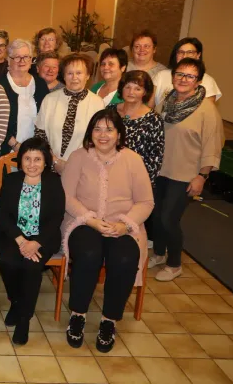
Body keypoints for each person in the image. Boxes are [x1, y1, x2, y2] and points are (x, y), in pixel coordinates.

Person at [61, 109, 154, 353]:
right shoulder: (78, 157)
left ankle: (109, 320)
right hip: (83, 222)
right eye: (97, 129)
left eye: (109, 129)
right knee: (89, 254)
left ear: (119, 134)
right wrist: (90, 220)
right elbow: (67, 196)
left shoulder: (133, 160)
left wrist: (125, 224)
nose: (103, 135)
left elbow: (146, 202)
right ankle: (78, 314)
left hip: (122, 225)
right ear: (90, 133)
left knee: (124, 258)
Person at [150, 58, 223, 282]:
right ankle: (159, 253)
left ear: (199, 81)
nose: (183, 79)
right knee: (155, 216)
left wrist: (202, 176)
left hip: (185, 174)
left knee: (169, 219)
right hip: (161, 170)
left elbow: (213, 144)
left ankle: (174, 263)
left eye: (190, 76)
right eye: (180, 74)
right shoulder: (167, 101)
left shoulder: (206, 109)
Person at [0, 137, 65, 345]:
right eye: (27, 158)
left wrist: (36, 243)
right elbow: (4, 215)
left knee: (31, 265)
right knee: (8, 261)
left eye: (37, 159)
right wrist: (20, 240)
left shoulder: (54, 182)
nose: (32, 164)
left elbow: (56, 218)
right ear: (20, 160)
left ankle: (24, 318)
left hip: (43, 238)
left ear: (45, 162)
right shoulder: (12, 180)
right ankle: (17, 302)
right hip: (13, 235)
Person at [35, 53, 104, 173]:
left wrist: (74, 165)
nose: (74, 77)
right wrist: (54, 161)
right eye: (70, 73)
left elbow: (98, 140)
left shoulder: (98, 103)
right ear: (64, 76)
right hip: (50, 167)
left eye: (79, 73)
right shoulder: (49, 99)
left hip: (83, 169)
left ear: (87, 75)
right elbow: (40, 135)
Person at [110, 71, 165, 187]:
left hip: (136, 179)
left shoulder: (153, 119)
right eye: (127, 87)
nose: (131, 92)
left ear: (145, 92)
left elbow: (155, 157)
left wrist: (144, 184)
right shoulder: (109, 111)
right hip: (106, 173)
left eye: (137, 89)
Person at [0, 39, 49, 155]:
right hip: (8, 151)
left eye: (26, 56)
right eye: (17, 57)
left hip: (36, 151)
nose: (22, 61)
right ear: (8, 60)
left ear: (31, 60)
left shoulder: (40, 84)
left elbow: (46, 118)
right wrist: (15, 145)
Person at [151, 37, 222, 109]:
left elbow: (207, 112)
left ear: (198, 55)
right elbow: (149, 107)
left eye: (190, 52)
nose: (184, 56)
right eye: (181, 52)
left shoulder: (208, 81)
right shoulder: (161, 75)